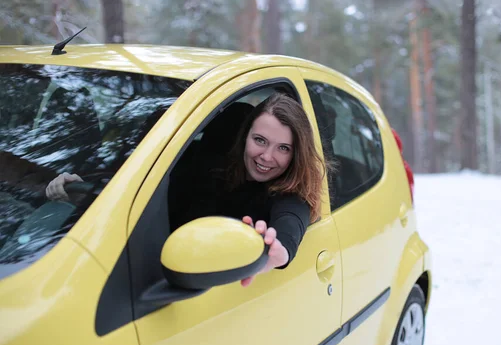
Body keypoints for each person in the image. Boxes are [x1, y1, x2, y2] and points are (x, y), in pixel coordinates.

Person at [46, 93, 326, 287]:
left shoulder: (291, 197)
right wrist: (83, 186)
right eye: (260, 140)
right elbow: (143, 184)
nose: (267, 156)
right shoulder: (202, 164)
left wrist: (275, 252)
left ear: (296, 154)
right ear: (245, 136)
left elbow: (288, 230)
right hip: (127, 265)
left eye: (283, 148)